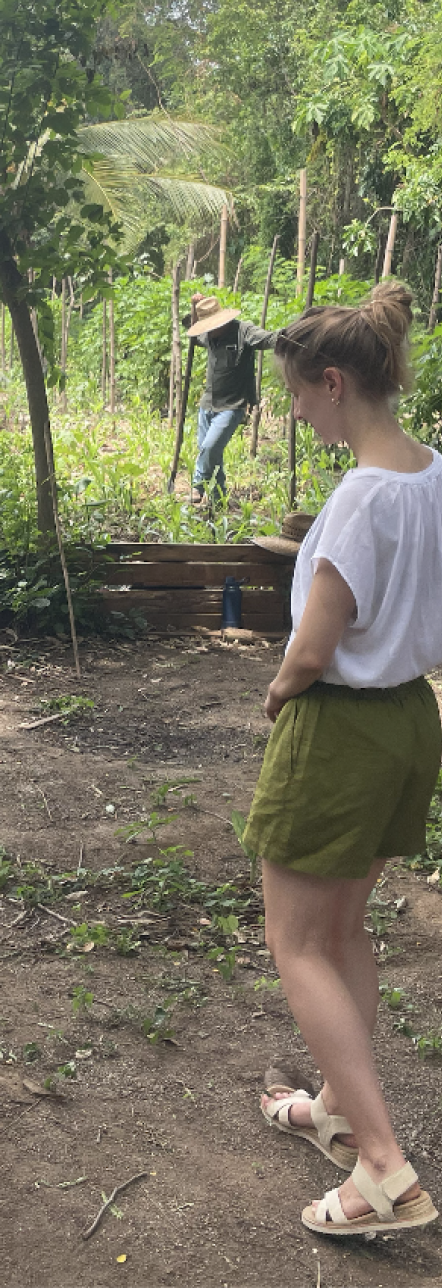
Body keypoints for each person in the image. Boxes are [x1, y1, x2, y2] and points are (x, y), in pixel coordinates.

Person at [245, 281, 442, 1237]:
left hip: (343, 722)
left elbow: (317, 645)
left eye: (294, 394)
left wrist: (281, 691)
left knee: (296, 942)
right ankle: (332, 1105)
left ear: (332, 384)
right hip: (409, 718)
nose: (292, 410)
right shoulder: (431, 472)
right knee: (347, 929)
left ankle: (382, 1169)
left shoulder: (362, 497)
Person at [187, 292, 278, 503]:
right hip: (207, 404)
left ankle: (198, 485)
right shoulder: (208, 336)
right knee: (212, 454)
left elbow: (267, 339)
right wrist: (194, 307)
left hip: (232, 406)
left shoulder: (242, 330)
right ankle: (219, 500)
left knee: (209, 448)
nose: (208, 331)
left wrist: (290, 336)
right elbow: (193, 334)